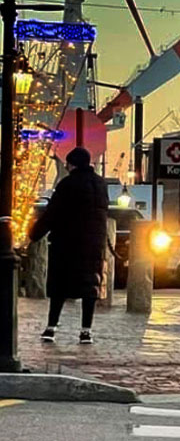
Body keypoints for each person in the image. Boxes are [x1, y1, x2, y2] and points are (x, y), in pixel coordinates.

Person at [29, 147, 109, 345]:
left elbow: (52, 213)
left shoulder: (67, 184)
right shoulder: (100, 184)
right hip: (94, 244)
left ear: (72, 164)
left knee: (60, 287)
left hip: (67, 243)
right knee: (90, 286)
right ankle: (86, 331)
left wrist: (34, 234)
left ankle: (51, 327)